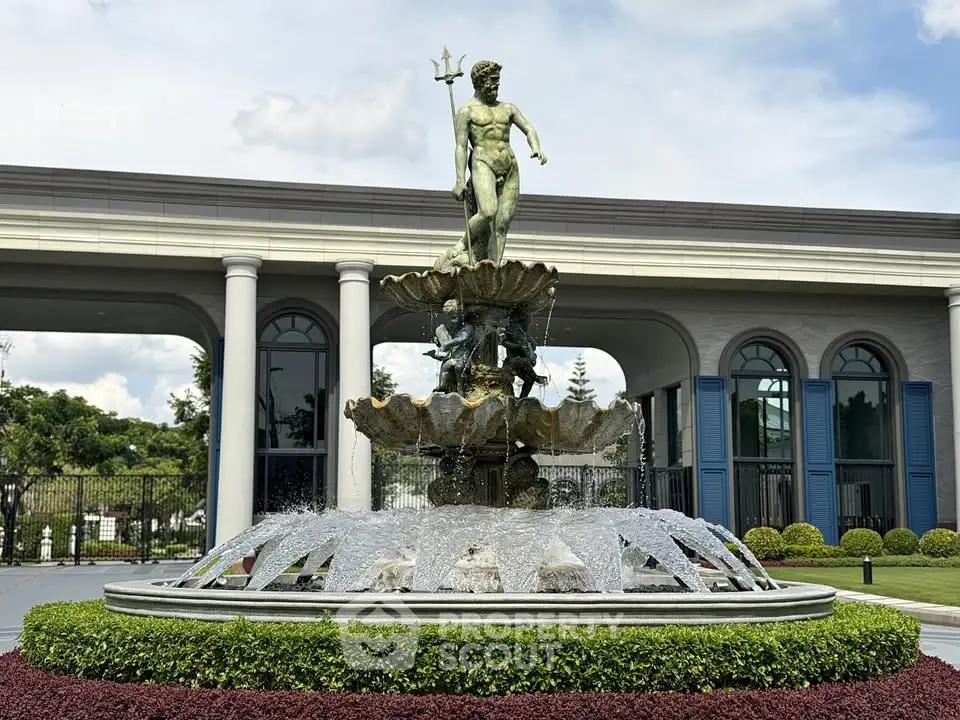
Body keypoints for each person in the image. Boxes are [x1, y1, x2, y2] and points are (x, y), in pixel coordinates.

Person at [434, 60, 547, 270]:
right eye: (492, 81)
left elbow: (529, 128)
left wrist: (536, 147)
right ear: (480, 81)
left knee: (502, 223)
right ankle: (463, 244)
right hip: (482, 162)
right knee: (488, 211)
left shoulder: (507, 108)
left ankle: (493, 267)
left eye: (498, 82)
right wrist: (460, 180)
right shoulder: (466, 112)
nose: (496, 86)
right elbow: (460, 147)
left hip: (510, 165)